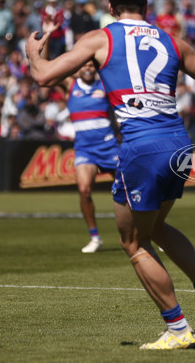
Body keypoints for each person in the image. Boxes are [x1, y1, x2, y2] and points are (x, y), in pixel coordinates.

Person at [26, 0, 195, 350]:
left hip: (141, 147)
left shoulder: (100, 38)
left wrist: (32, 52)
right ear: (146, 6)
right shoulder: (171, 40)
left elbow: (43, 77)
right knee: (159, 227)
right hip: (180, 145)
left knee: (133, 242)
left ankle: (178, 328)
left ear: (110, 8)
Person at [66, 60, 119, 253]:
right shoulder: (70, 85)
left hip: (109, 146)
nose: (88, 69)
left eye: (91, 65)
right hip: (84, 149)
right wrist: (46, 38)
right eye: (84, 65)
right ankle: (95, 238)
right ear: (78, 68)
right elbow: (46, 66)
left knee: (130, 191)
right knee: (84, 190)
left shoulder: (104, 84)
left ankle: (153, 232)